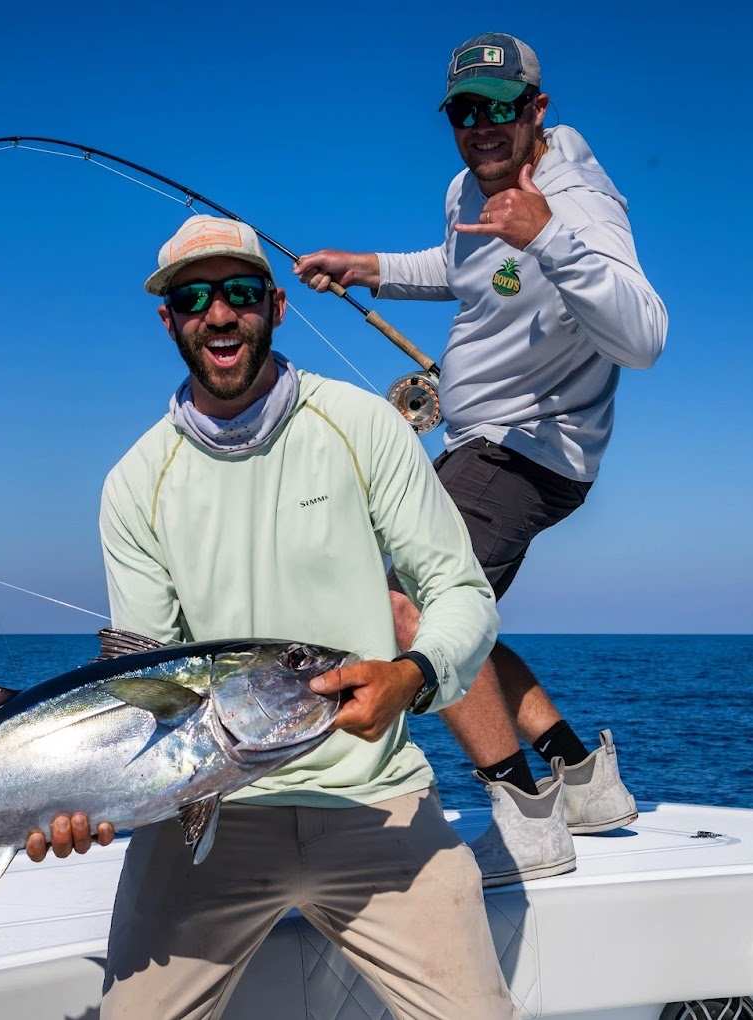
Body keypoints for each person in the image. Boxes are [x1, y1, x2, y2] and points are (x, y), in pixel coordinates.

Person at [27, 213, 518, 1019]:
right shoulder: (134, 483)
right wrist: (83, 798)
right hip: (209, 815)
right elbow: (146, 684)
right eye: (194, 299)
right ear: (169, 320)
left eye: (239, 293)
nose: (218, 315)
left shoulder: (364, 427)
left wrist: (412, 677)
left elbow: (460, 593)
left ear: (276, 305)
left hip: (375, 801)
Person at [294, 32, 668, 886]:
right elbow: (462, 264)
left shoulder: (574, 205)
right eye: (465, 111)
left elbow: (645, 337)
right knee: (461, 613)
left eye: (501, 110)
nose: (481, 127)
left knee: (405, 608)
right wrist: (372, 269)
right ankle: (583, 781)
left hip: (527, 452)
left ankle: (524, 818)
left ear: (535, 111)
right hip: (482, 445)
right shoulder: (467, 187)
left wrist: (550, 241)